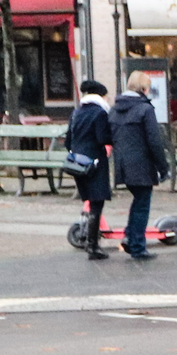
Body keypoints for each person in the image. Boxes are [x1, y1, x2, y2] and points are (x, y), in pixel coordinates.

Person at [107, 70, 169, 261]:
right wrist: (163, 167)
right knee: (142, 205)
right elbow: (154, 141)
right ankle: (137, 246)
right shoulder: (145, 109)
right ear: (144, 88)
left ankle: (129, 236)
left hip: (122, 164)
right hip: (142, 164)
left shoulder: (115, 109)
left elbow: (109, 135)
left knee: (138, 202)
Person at [66, 79, 114, 260]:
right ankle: (92, 246)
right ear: (100, 96)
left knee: (89, 201)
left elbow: (68, 141)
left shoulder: (76, 113)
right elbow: (103, 138)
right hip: (95, 164)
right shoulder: (99, 114)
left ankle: (88, 240)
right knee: (97, 203)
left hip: (78, 165)